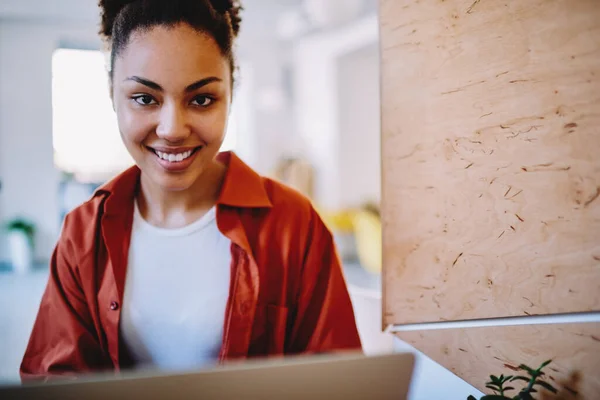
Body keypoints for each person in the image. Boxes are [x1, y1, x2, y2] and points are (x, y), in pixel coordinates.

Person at [20, 0, 361, 379]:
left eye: (201, 99)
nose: (172, 129)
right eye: (145, 99)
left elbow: (336, 380)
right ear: (112, 94)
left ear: (231, 92)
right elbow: (55, 379)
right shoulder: (84, 233)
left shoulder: (293, 223)